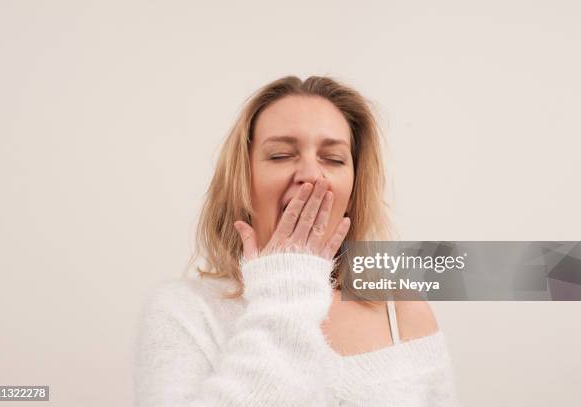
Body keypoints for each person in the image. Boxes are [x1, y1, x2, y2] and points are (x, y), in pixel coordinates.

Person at [134, 75, 460, 406]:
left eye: (333, 159)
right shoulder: (183, 313)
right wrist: (286, 291)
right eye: (280, 155)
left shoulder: (402, 308)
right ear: (243, 182)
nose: (310, 174)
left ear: (352, 190)